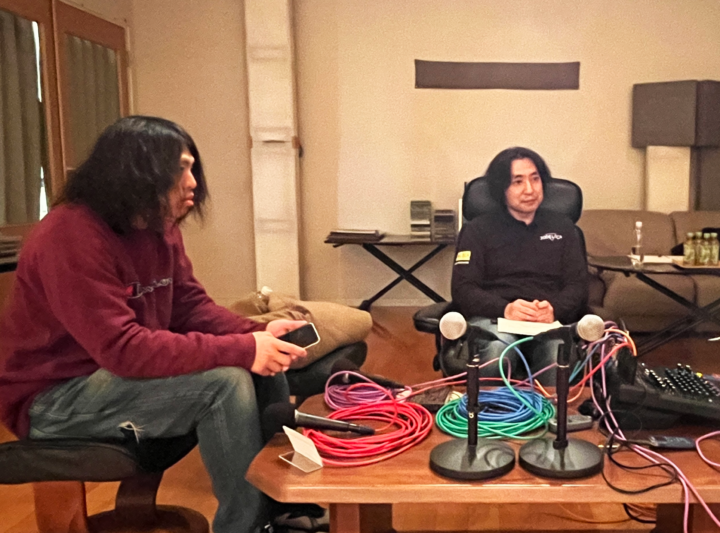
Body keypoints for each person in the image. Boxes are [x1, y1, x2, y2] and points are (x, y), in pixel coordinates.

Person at [0, 116, 310, 533]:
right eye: (180, 168)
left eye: (191, 167)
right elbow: (123, 350)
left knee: (264, 367)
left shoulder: (157, 226)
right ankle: (245, 527)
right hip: (54, 399)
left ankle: (281, 510)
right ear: (136, 172)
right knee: (224, 382)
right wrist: (242, 349)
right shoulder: (68, 235)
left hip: (111, 379)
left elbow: (189, 308)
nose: (193, 182)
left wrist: (253, 334)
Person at [448, 146, 588, 382]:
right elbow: (463, 289)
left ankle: (548, 407)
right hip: (494, 318)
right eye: (518, 182)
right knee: (498, 350)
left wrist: (554, 309)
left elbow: (578, 286)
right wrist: (505, 309)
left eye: (535, 179)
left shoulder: (564, 228)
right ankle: (492, 406)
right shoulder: (477, 230)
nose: (530, 190)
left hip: (547, 321)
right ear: (501, 189)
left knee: (557, 354)